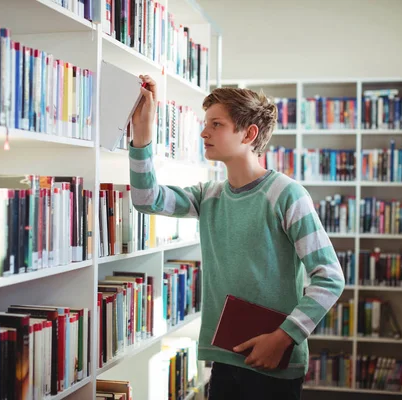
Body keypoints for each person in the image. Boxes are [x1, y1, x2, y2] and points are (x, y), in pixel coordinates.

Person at [128, 75, 346, 399]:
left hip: (273, 362)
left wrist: (283, 337)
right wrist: (143, 130)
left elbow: (329, 277)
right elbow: (147, 199)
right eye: (206, 124)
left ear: (249, 133)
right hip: (224, 358)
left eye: (216, 124)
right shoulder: (208, 195)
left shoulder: (287, 195)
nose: (204, 132)